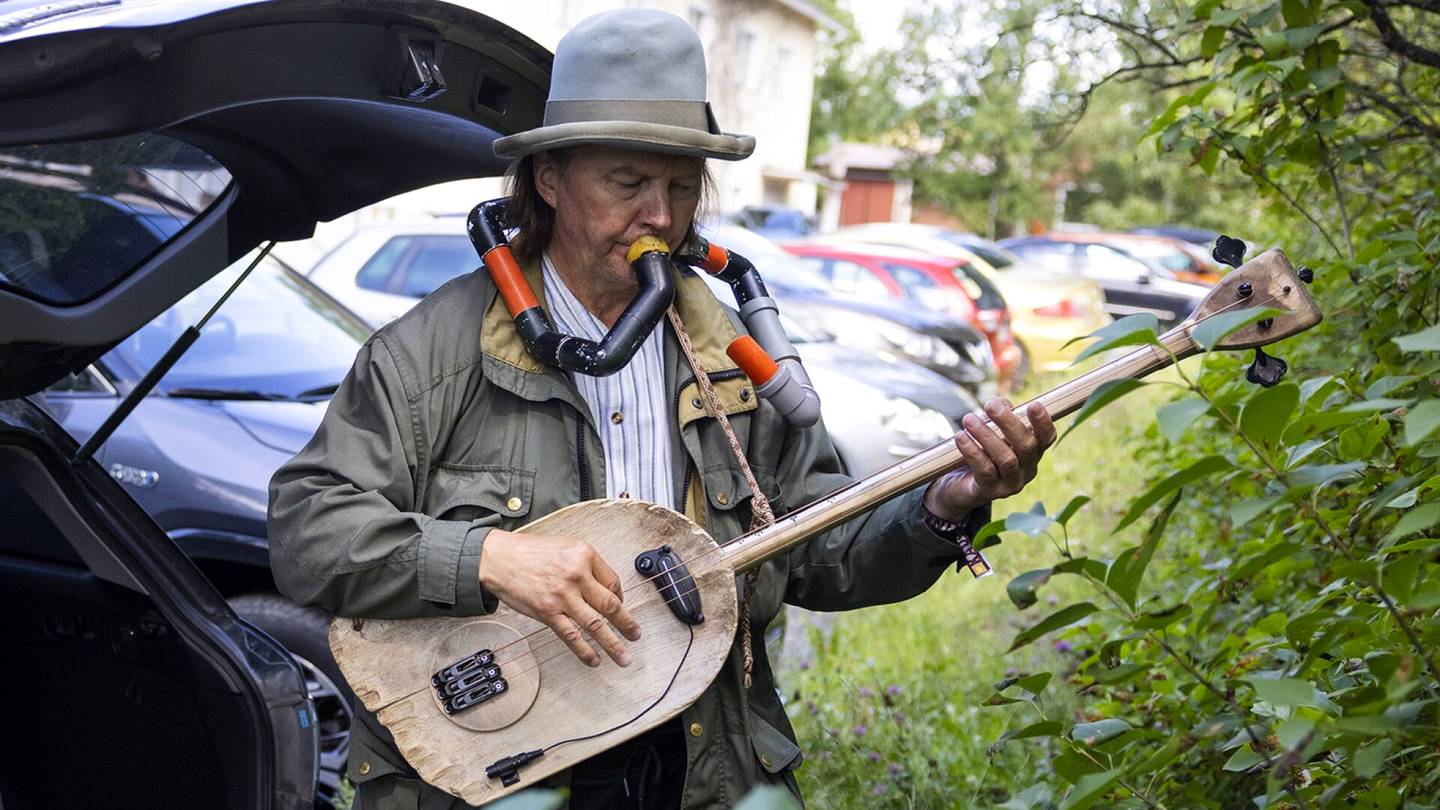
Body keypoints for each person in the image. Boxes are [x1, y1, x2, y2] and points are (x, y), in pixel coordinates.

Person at [267, 9, 1055, 809]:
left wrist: (947, 502)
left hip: (697, 765)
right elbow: (308, 530)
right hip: (499, 769)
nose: (660, 217)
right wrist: (490, 560)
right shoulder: (430, 350)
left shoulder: (732, 356)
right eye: (627, 183)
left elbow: (818, 548)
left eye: (680, 186)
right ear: (550, 180)